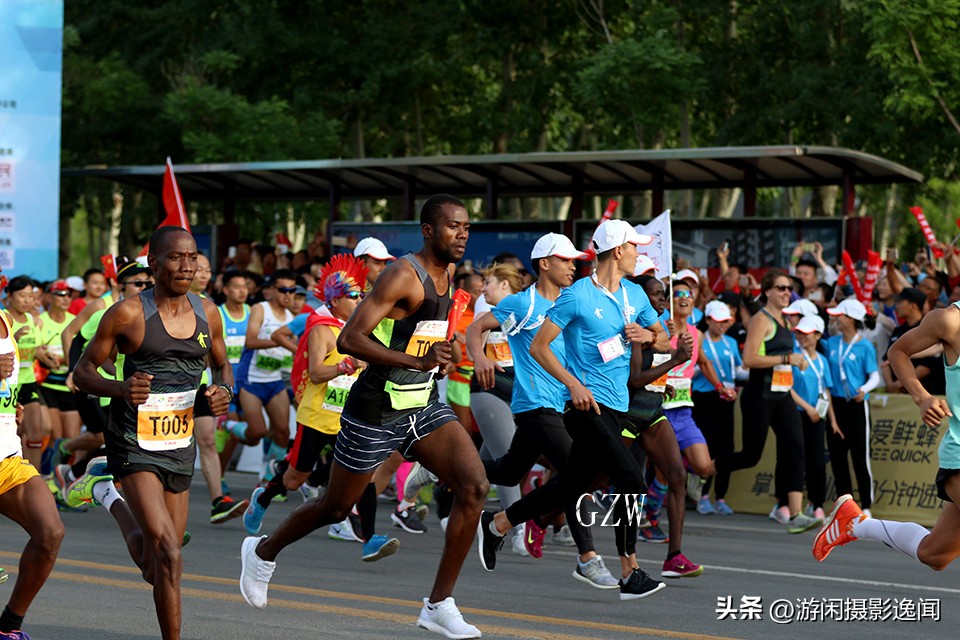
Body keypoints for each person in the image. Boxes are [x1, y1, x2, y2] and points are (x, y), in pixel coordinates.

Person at [239, 195, 489, 639]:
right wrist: (413, 361)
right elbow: (352, 338)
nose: (462, 234)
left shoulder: (448, 274)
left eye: (466, 227)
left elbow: (424, 334)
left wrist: (441, 355)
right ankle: (262, 551)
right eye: (453, 226)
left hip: (422, 403)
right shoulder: (401, 275)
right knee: (335, 505)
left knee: (474, 487)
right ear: (428, 230)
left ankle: (438, 604)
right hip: (374, 409)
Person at [477, 219, 671, 601]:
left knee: (570, 484)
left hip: (619, 406)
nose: (640, 253)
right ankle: (629, 570)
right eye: (635, 247)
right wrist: (574, 385)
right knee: (631, 480)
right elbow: (539, 347)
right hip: (583, 407)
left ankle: (498, 523)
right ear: (618, 251)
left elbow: (662, 338)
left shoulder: (635, 294)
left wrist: (650, 336)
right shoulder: (578, 295)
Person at [71, 226, 233, 640]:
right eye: (176, 257)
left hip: (180, 444)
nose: (187, 265)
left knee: (154, 565)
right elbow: (83, 373)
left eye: (192, 256)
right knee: (170, 555)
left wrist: (222, 392)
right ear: (153, 264)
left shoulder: (208, 312)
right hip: (132, 442)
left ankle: (105, 492)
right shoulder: (127, 313)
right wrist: (119, 388)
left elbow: (222, 365)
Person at [468, 233, 621, 587]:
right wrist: (478, 357)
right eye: (566, 260)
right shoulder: (522, 304)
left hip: (566, 406)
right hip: (534, 403)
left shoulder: (574, 303)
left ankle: (442, 470)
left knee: (508, 472)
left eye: (574, 260)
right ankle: (587, 558)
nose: (573, 266)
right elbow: (476, 328)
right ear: (544, 264)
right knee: (576, 473)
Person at [813, 292, 960, 568]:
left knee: (934, 554)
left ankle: (854, 523)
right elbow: (898, 351)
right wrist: (922, 396)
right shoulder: (950, 320)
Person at [714, 269, 821, 533]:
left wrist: (795, 361)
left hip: (782, 395)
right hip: (759, 396)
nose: (787, 293)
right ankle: (704, 468)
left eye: (789, 289)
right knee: (751, 455)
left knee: (796, 447)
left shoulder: (784, 321)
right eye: (781, 288)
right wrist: (787, 359)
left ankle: (795, 515)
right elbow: (749, 360)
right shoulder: (761, 320)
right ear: (768, 292)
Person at [0, 283, 64, 640]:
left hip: (7, 454)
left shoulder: (6, 320)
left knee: (50, 533)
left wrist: (11, 405)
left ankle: (8, 626)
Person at [225, 269, 296, 478]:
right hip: (251, 380)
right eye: (283, 289)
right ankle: (225, 424)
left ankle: (269, 479)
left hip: (274, 380)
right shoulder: (260, 309)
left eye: (292, 290)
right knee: (257, 433)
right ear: (271, 290)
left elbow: (288, 351)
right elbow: (251, 341)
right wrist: (281, 340)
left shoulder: (291, 317)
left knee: (283, 433)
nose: (288, 295)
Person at [825, 299, 880, 517]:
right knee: (838, 457)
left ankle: (865, 505)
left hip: (856, 404)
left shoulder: (864, 345)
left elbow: (875, 376)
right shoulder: (831, 342)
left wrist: (864, 389)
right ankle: (844, 506)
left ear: (850, 319)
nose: (836, 318)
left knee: (859, 455)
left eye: (840, 315)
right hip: (835, 404)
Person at [691, 300, 743, 516]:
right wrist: (704, 371)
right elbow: (691, 368)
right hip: (704, 398)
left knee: (727, 447)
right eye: (719, 321)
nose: (723, 325)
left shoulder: (731, 342)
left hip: (727, 398)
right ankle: (702, 495)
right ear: (709, 320)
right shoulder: (700, 340)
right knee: (708, 447)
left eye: (727, 321)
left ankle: (721, 497)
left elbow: (738, 369)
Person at [789, 315, 839, 522]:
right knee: (797, 459)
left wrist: (833, 420)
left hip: (818, 416)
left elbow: (826, 391)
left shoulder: (823, 360)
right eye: (799, 332)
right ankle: (791, 507)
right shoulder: (794, 356)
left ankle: (816, 504)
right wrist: (807, 407)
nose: (801, 336)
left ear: (818, 335)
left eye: (806, 333)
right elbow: (788, 388)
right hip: (797, 414)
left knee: (817, 461)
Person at [4, 276, 47, 469]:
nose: (27, 300)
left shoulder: (33, 320)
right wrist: (14, 338)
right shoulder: (4, 318)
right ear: (9, 296)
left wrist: (48, 357)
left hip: (28, 381)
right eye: (22, 296)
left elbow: (36, 348)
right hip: (6, 386)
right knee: (13, 435)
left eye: (31, 296)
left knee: (37, 433)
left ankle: (34, 475)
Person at [38, 281, 80, 444]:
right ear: (48, 297)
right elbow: (35, 348)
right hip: (47, 385)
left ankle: (63, 469)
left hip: (69, 385)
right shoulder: (40, 321)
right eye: (60, 294)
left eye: (69, 295)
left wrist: (63, 359)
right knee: (55, 435)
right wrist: (44, 356)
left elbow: (81, 350)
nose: (65, 299)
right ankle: (47, 468)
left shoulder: (75, 321)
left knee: (72, 437)